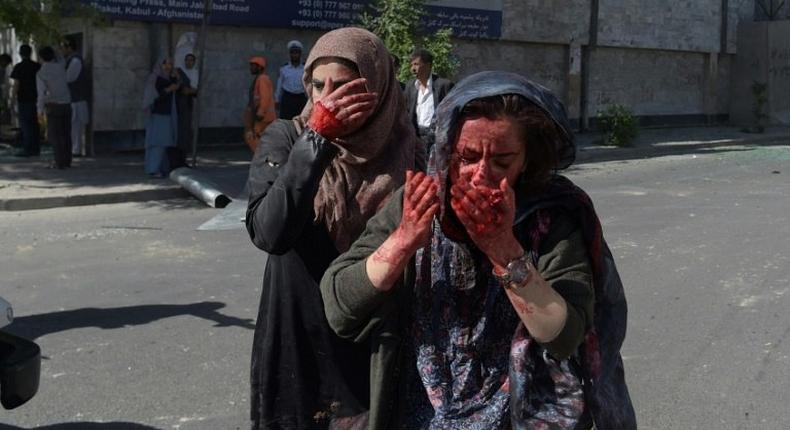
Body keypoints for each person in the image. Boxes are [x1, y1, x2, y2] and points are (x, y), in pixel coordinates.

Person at [321, 71, 636, 429]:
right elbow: (340, 308)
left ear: (527, 161)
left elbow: (564, 337)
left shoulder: (552, 222)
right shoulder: (416, 204)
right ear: (445, 151)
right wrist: (404, 240)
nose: (480, 175)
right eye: (466, 158)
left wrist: (503, 248)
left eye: (502, 162)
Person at [245, 27, 423, 429]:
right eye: (318, 85)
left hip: (378, 341)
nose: (328, 99)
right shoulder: (286, 139)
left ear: (377, 89)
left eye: (344, 87)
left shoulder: (413, 150)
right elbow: (270, 232)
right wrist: (316, 141)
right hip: (300, 336)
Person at [404, 48, 453, 154]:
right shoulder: (410, 86)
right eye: (411, 65)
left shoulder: (443, 86)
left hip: (437, 138)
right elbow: (406, 111)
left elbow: (451, 113)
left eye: (416, 64)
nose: (413, 69)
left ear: (428, 65)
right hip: (416, 138)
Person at [141, 56, 180, 178]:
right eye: (165, 64)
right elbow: (153, 98)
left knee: (164, 143)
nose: (168, 67)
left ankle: (161, 168)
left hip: (166, 114)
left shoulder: (169, 78)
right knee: (158, 143)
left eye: (170, 64)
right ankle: (153, 169)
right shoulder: (155, 79)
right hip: (159, 114)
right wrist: (168, 90)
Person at [36, 46, 72, 169]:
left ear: (40, 57)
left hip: (53, 105)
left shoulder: (41, 73)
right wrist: (55, 48)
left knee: (55, 135)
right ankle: (67, 161)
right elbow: (61, 57)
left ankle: (59, 162)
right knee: (66, 134)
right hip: (67, 104)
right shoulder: (61, 66)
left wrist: (39, 111)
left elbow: (41, 94)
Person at [61, 36, 91, 158]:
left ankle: (76, 150)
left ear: (69, 47)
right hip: (73, 99)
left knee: (76, 127)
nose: (61, 50)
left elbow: (68, 78)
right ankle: (75, 149)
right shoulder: (70, 60)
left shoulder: (75, 61)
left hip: (76, 99)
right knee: (74, 127)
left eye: (62, 47)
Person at [10, 45, 41, 157]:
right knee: (34, 123)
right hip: (36, 98)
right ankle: (36, 148)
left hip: (23, 99)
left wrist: (12, 99)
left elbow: (16, 84)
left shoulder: (19, 67)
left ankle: (28, 149)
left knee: (26, 124)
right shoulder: (37, 66)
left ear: (20, 53)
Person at [243, 56, 276, 153]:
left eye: (253, 66)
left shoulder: (262, 79)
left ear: (260, 67)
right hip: (261, 116)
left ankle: (261, 157)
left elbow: (265, 97)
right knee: (260, 138)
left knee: (251, 136)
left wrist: (260, 113)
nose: (251, 68)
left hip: (263, 117)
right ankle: (264, 157)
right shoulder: (259, 79)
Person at [174, 52, 199, 167]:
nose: (189, 62)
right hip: (178, 104)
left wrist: (190, 91)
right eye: (187, 60)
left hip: (187, 104)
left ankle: (182, 158)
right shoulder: (179, 72)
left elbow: (196, 89)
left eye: (191, 60)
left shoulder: (195, 73)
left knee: (185, 131)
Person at [275, 40, 308, 119]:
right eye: (292, 53)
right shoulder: (284, 69)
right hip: (288, 98)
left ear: (300, 54)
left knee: (301, 121)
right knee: (286, 121)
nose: (295, 55)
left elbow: (308, 84)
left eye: (297, 53)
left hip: (301, 99)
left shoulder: (305, 69)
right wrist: (277, 99)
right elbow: (279, 85)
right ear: (290, 54)